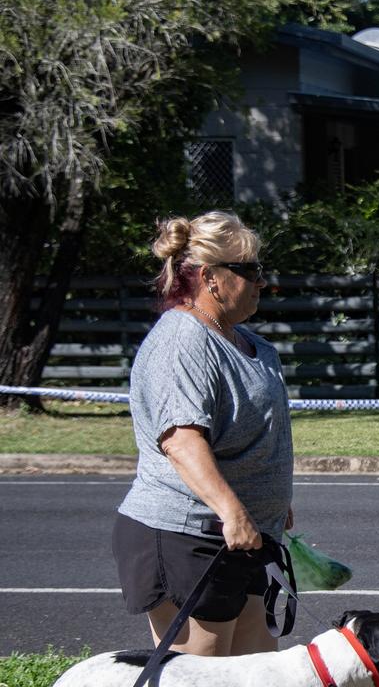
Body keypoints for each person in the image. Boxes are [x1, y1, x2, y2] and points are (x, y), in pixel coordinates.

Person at [112, 210, 292, 657]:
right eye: (249, 270)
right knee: (201, 678)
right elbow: (181, 441)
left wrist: (272, 504)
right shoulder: (183, 340)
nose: (261, 282)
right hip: (190, 536)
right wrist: (233, 511)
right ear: (210, 277)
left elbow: (256, 433)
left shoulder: (251, 344)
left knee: (257, 674)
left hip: (246, 536)